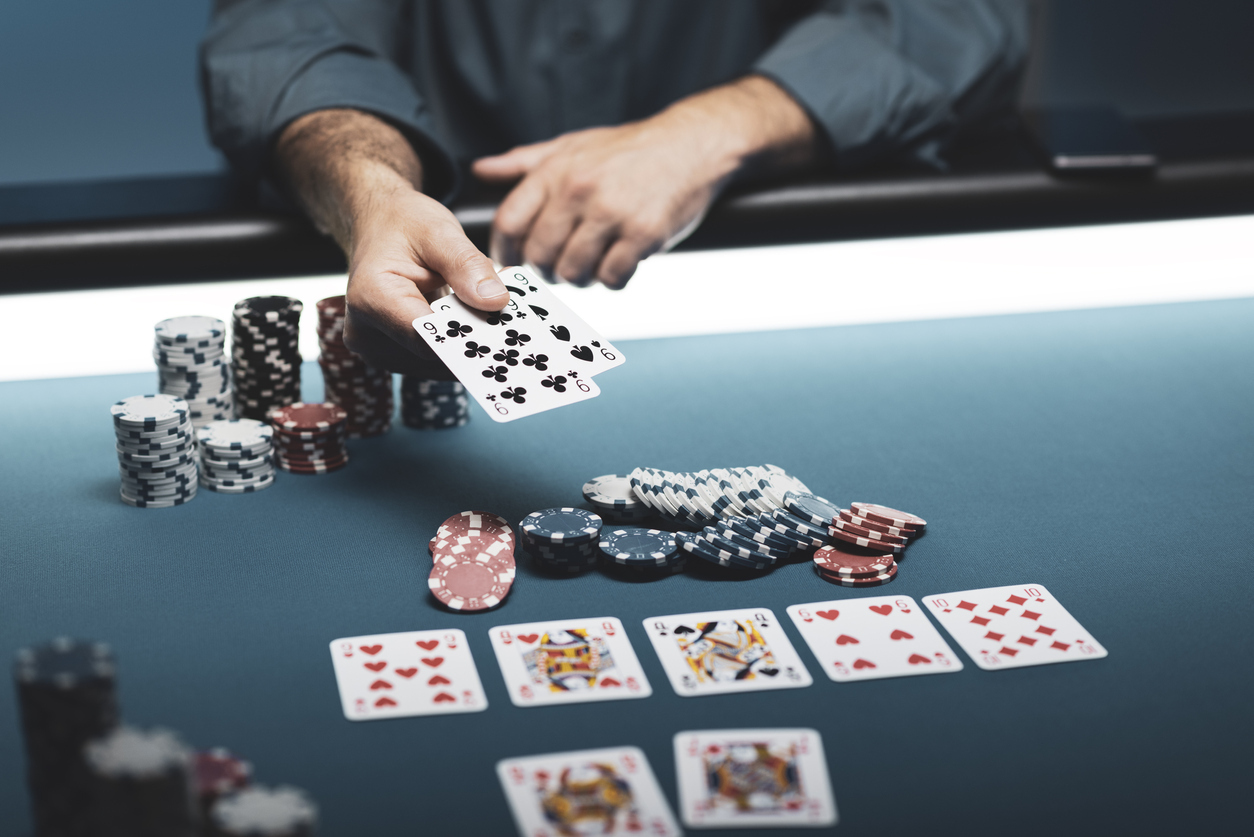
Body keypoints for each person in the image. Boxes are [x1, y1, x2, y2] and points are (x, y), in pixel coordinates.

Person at [201, 0, 1029, 376]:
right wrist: (372, 192)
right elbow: (285, 35)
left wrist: (716, 128)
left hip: (779, 292)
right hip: (439, 277)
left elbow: (959, 17)